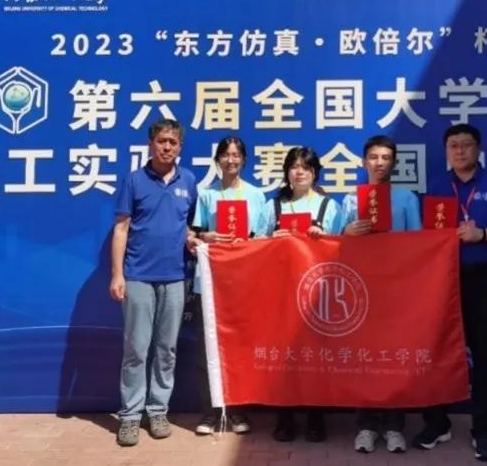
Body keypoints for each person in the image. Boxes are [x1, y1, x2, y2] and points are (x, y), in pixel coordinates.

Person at [412, 124, 487, 462]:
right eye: (453, 145)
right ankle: (437, 423)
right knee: (437, 350)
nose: (459, 151)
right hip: (442, 280)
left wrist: (483, 235)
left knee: (485, 354)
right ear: (446, 151)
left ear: (479, 148)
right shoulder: (436, 186)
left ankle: (484, 432)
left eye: (466, 145)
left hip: (482, 279)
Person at [110, 119, 198, 447]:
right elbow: (121, 229)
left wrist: (192, 239)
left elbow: (188, 225)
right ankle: (130, 416)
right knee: (136, 349)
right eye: (162, 141)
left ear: (180, 147)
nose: (167, 147)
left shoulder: (188, 181)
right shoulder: (134, 180)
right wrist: (117, 274)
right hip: (138, 277)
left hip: (175, 277)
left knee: (167, 349)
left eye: (173, 142)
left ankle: (158, 410)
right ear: (151, 144)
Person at [339, 135, 420, 454]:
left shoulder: (406, 198)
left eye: (386, 157)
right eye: (373, 157)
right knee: (364, 356)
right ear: (364, 162)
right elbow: (335, 243)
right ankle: (366, 426)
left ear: (394, 162)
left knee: (394, 357)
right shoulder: (350, 200)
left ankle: (394, 426)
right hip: (361, 288)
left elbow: (419, 244)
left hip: (396, 288)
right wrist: (347, 232)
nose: (379, 163)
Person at [188, 136, 267, 435]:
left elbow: (263, 238)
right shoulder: (206, 195)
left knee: (240, 349)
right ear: (217, 160)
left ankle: (237, 411)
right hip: (209, 282)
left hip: (242, 282)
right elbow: (195, 233)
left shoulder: (257, 196)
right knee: (205, 349)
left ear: (244, 160)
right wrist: (205, 237)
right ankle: (210, 413)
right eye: (225, 155)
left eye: (236, 155)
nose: (230, 160)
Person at [265, 146, 341, 443]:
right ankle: (284, 417)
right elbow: (254, 244)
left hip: (317, 291)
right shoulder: (272, 206)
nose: (300, 172)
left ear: (315, 173)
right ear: (286, 172)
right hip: (280, 291)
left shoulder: (328, 206)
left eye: (306, 168)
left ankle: (315, 416)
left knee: (316, 355)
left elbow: (343, 246)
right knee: (284, 354)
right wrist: (271, 239)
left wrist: (324, 238)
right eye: (294, 167)